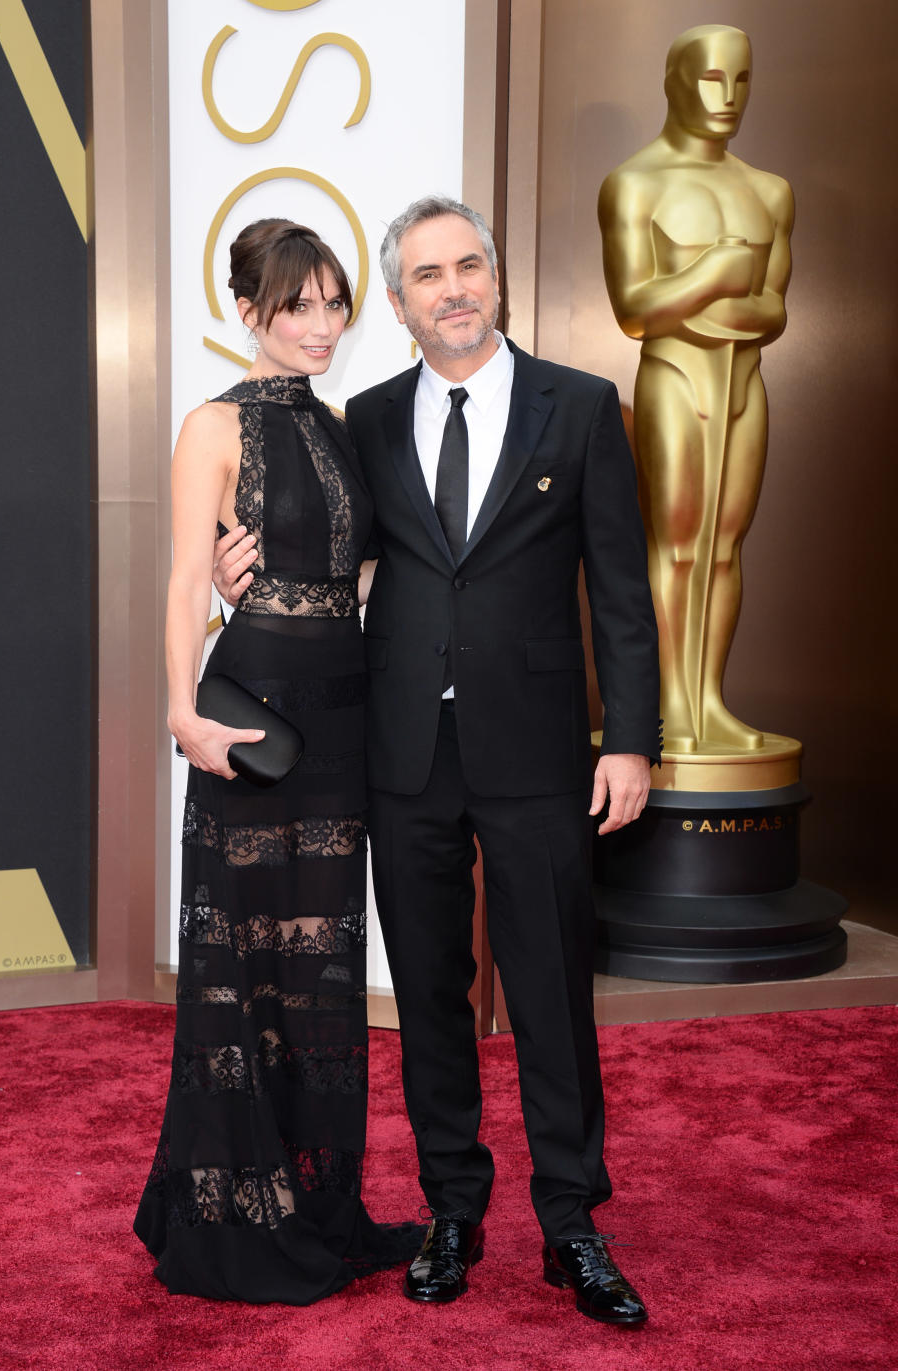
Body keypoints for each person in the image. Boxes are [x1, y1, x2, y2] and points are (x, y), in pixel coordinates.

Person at [216, 196, 660, 1324]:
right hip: (399, 750)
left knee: (554, 994)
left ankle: (572, 1224)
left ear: (497, 281)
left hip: (541, 754)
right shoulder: (361, 419)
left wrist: (636, 740)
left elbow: (620, 591)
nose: (453, 288)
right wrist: (239, 576)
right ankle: (452, 1209)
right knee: (427, 998)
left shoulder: (584, 406)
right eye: (427, 275)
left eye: (469, 266)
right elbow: (324, 553)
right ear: (401, 302)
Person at [134, 219, 421, 1304]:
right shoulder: (213, 423)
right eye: (297, 305)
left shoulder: (346, 428)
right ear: (249, 310)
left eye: (334, 303)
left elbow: (377, 574)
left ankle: (321, 1203)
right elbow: (177, 584)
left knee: (322, 972)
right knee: (244, 960)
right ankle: (236, 1215)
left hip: (339, 722)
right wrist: (179, 714)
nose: (320, 325)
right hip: (253, 718)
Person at [598, 24, 794, 754]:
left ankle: (709, 701)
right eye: (713, 79)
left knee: (725, 546)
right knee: (676, 543)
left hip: (744, 385)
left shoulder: (769, 191)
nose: (729, 97)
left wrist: (691, 299)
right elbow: (633, 308)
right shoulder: (634, 184)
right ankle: (670, 707)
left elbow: (773, 310)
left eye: (742, 80)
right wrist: (713, 276)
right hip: (675, 382)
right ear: (676, 82)